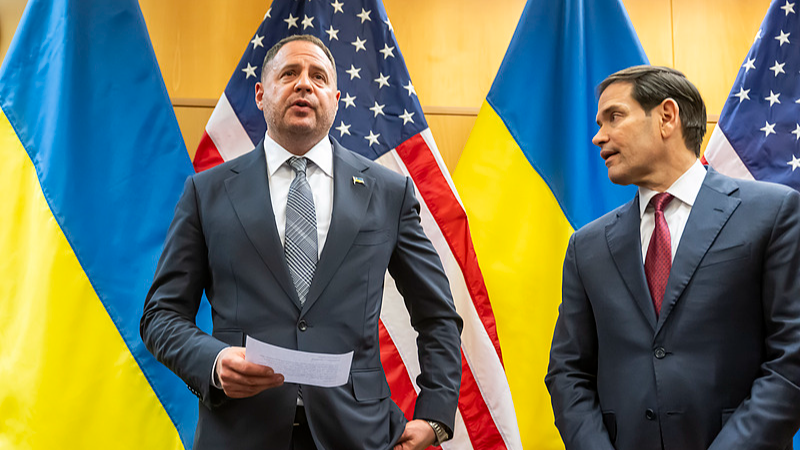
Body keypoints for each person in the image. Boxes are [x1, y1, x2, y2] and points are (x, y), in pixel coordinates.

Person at [140, 34, 462, 450]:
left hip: (359, 433)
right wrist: (215, 363)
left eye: (318, 76)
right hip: (239, 431)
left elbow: (437, 314)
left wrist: (435, 413)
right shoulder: (207, 192)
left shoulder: (388, 192)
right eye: (289, 73)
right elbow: (161, 315)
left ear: (336, 97)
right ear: (260, 94)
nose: (304, 84)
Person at [545, 65, 800, 450]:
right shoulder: (587, 245)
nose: (599, 137)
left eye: (614, 116)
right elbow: (568, 372)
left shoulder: (772, 212)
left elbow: (791, 357)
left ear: (667, 116)